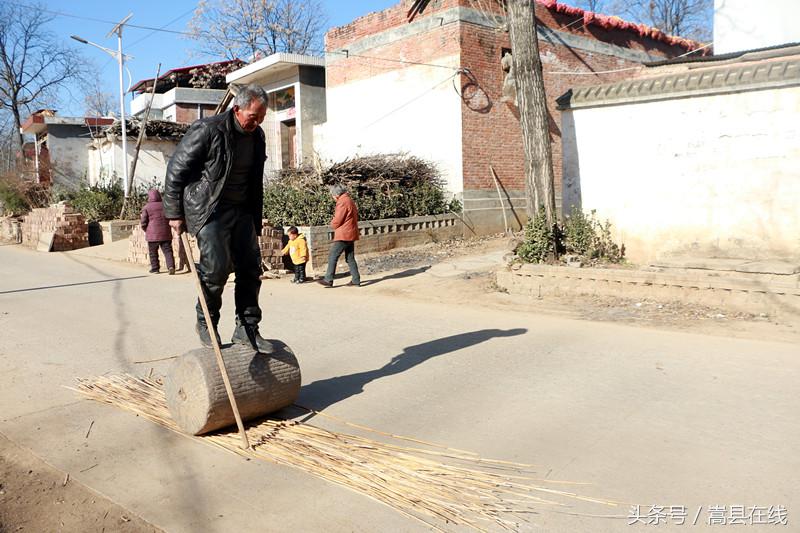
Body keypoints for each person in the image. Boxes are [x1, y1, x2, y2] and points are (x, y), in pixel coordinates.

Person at [162, 84, 270, 350]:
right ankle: (206, 323)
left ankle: (247, 328)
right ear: (237, 109)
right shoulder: (208, 130)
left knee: (251, 268)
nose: (256, 123)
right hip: (209, 208)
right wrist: (174, 213)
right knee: (216, 268)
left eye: (261, 117)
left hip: (242, 209)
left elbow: (255, 180)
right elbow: (176, 170)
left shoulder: (257, 137)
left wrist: (256, 219)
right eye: (252, 117)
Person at [317, 184, 361, 288]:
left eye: (332, 195)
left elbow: (338, 219)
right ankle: (356, 279)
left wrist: (331, 224)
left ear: (336, 195)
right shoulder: (349, 200)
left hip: (344, 234)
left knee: (333, 256)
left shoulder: (342, 202)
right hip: (351, 232)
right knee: (350, 258)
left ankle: (328, 279)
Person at [140, 189, 176, 275]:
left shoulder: (147, 207)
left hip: (152, 235)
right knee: (168, 251)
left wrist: (145, 229)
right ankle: (171, 266)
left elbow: (143, 221)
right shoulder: (165, 205)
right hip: (165, 233)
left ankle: (155, 268)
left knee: (153, 252)